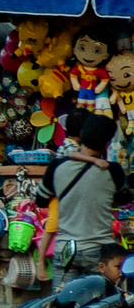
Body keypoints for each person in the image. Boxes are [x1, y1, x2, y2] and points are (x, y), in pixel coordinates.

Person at [45, 113, 124, 288]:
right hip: (99, 252)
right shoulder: (114, 171)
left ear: (82, 136)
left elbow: (42, 199)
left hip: (66, 251)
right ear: (107, 144)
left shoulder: (56, 167)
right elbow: (120, 200)